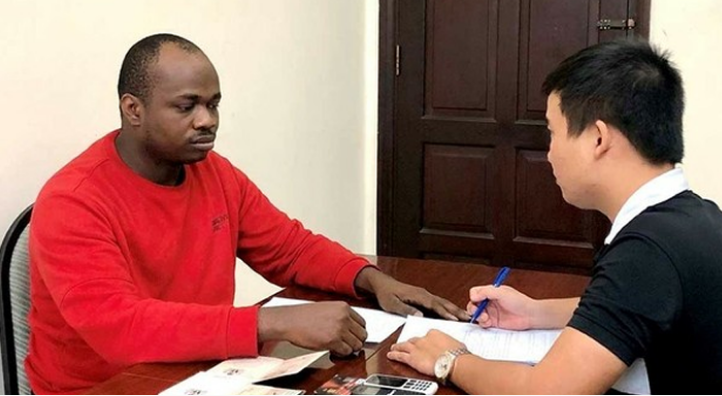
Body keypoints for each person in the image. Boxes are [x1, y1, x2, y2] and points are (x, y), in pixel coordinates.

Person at [26, 33, 468, 395]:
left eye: (213, 104)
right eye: (187, 106)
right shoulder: (73, 200)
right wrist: (268, 322)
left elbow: (289, 248)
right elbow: (121, 328)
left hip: (205, 374)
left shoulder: (214, 174)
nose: (207, 120)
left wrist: (371, 279)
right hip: (107, 387)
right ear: (133, 109)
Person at [388, 39, 722, 393]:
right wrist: (535, 313)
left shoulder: (647, 252)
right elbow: (639, 309)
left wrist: (451, 359)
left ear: (597, 138)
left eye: (552, 132)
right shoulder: (698, 218)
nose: (549, 153)